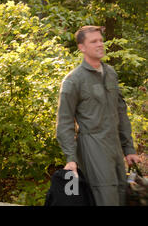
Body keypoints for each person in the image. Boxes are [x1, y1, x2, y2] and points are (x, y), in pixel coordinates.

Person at [56, 25, 141, 205]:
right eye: (93, 41)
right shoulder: (73, 81)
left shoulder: (110, 74)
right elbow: (64, 123)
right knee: (105, 196)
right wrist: (71, 159)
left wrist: (129, 149)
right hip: (93, 146)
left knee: (121, 193)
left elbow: (121, 113)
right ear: (82, 47)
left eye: (101, 40)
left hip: (115, 147)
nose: (100, 44)